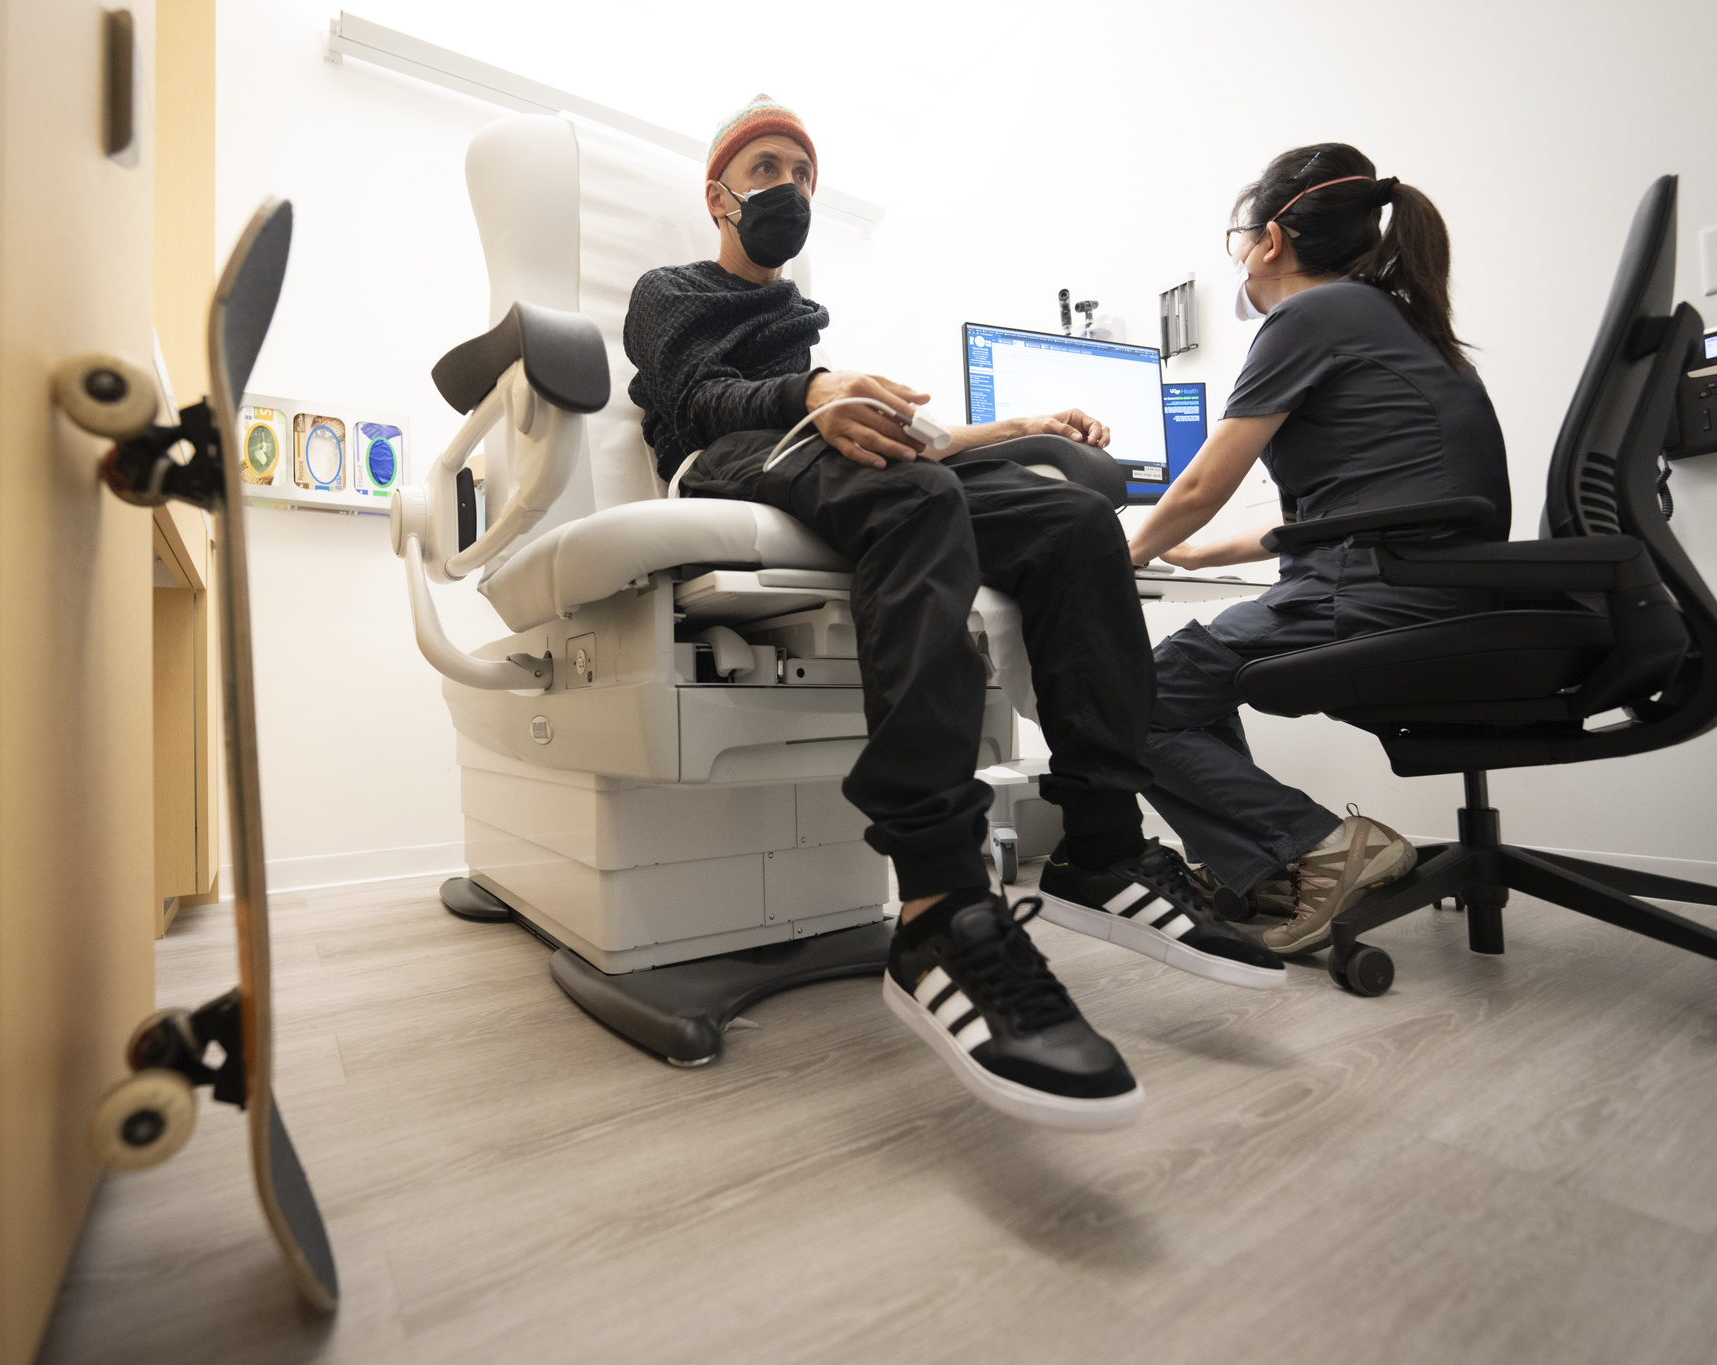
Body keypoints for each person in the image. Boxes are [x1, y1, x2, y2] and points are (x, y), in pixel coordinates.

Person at [625, 96, 1282, 1131]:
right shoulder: (669, 292)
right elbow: (693, 400)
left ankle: (1100, 845)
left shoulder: (804, 322)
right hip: (720, 464)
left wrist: (1017, 426)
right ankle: (937, 898)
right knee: (914, 496)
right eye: (766, 167)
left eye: (801, 171)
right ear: (718, 194)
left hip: (811, 430)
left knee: (1071, 521)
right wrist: (811, 394)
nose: (788, 186)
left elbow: (909, 441)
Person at [1124, 143, 1512, 958]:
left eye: (1239, 238)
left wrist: (1125, 551)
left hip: (1369, 594)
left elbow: (1201, 483)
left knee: (1127, 699)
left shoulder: (1310, 315)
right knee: (1187, 681)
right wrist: (1191, 555)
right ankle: (1269, 871)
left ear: (1270, 240)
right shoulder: (1389, 315)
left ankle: (1316, 846)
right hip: (1425, 585)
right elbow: (1331, 514)